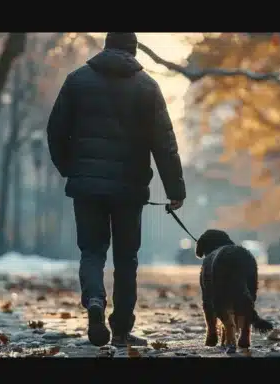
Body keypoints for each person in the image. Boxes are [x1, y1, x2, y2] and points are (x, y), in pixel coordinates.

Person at [47, 32, 186, 347]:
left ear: (106, 46)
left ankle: (94, 300)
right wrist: (175, 188)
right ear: (133, 51)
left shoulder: (77, 81)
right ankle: (121, 329)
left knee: (92, 251)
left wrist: (71, 169)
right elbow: (164, 143)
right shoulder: (147, 87)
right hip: (129, 188)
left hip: (87, 187)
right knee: (126, 258)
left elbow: (55, 131)